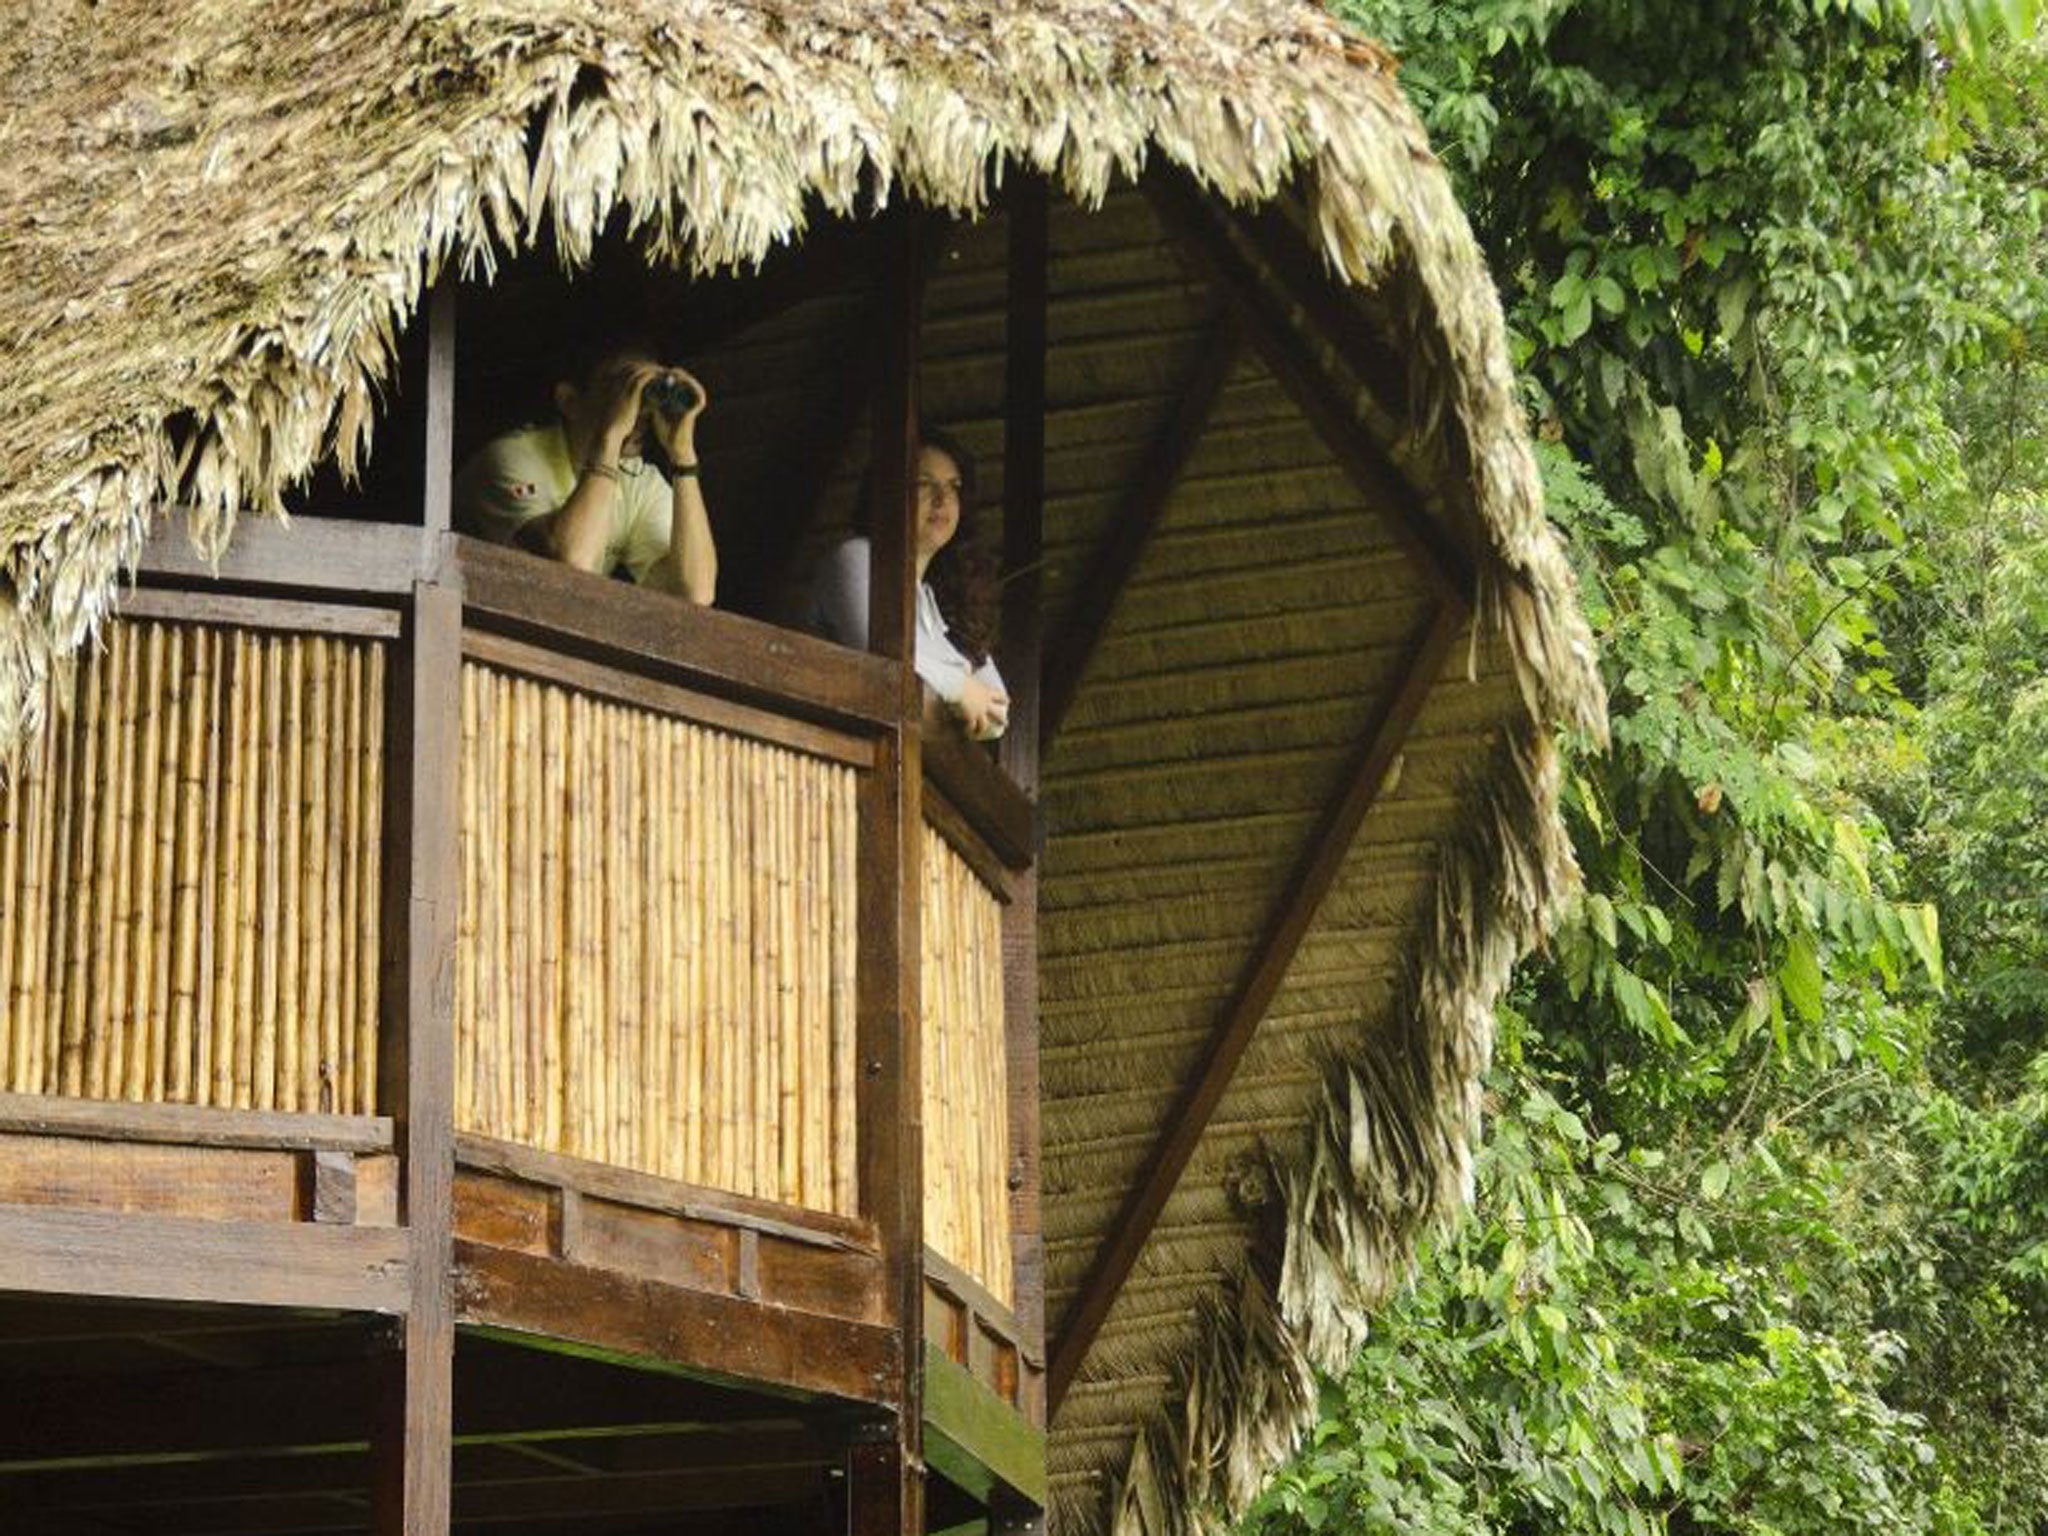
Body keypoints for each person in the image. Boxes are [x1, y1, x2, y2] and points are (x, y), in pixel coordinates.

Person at [453, 341, 718, 605]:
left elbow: (695, 593)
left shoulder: (639, 482)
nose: (635, 410)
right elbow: (573, 564)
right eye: (622, 387)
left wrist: (683, 458)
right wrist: (611, 436)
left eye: (643, 393)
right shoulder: (512, 457)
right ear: (569, 401)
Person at [808, 429, 1009, 740]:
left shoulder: (937, 604)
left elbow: (998, 714)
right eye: (925, 484)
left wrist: (950, 686)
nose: (942, 499)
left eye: (953, 487)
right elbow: (879, 652)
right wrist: (960, 687)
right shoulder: (858, 557)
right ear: (888, 493)